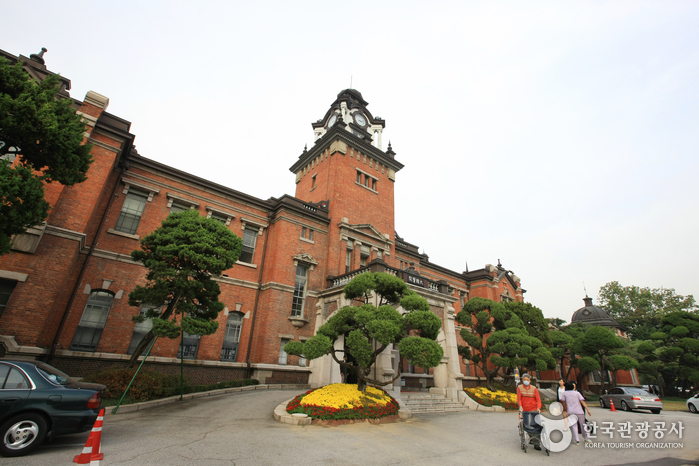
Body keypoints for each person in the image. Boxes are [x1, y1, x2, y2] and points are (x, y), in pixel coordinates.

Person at [560, 381, 592, 446]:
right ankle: (586, 438)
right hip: (579, 411)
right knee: (582, 425)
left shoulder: (564, 393)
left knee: (574, 426)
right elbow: (582, 402)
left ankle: (577, 440)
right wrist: (588, 410)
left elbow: (563, 401)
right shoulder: (577, 393)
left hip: (571, 411)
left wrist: (564, 408)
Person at [517, 373, 542, 450]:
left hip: (534, 409)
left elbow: (538, 399)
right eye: (524, 379)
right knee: (527, 426)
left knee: (535, 426)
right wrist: (520, 406)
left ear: (530, 381)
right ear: (522, 380)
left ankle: (536, 443)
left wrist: (538, 407)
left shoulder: (534, 388)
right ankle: (531, 438)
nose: (526, 381)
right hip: (525, 409)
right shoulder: (519, 388)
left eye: (527, 380)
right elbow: (519, 399)